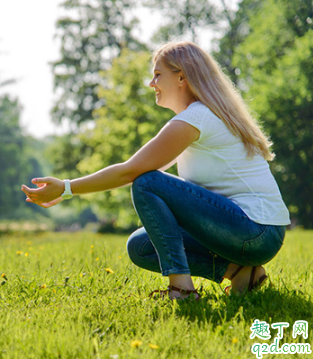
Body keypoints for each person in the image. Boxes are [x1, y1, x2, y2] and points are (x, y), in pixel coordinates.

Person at [22, 41, 290, 300]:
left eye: (158, 75)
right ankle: (240, 272)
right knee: (141, 246)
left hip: (255, 231)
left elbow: (131, 172)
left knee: (147, 183)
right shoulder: (204, 115)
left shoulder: (196, 117)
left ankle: (182, 290)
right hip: (257, 234)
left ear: (181, 77)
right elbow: (136, 171)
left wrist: (67, 188)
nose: (152, 84)